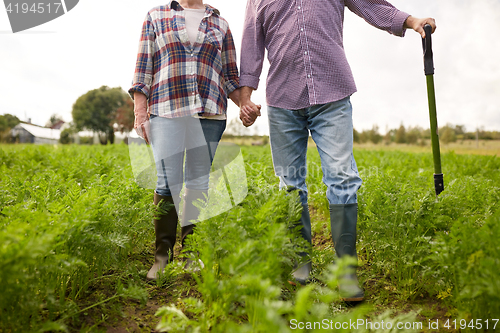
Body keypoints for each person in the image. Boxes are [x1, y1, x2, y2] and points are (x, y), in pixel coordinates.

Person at [238, 0, 436, 301]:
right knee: (290, 185)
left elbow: (372, 6)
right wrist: (245, 98)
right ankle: (300, 267)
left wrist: (412, 21)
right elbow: (252, 45)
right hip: (282, 99)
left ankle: (346, 272)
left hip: (332, 94)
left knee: (342, 178)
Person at [129, 0, 260, 280]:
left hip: (209, 113)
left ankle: (191, 254)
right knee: (166, 181)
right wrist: (140, 112)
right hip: (166, 110)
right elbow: (143, 70)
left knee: (198, 182)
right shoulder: (156, 16)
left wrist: (244, 104)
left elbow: (229, 77)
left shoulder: (220, 24)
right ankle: (162, 256)